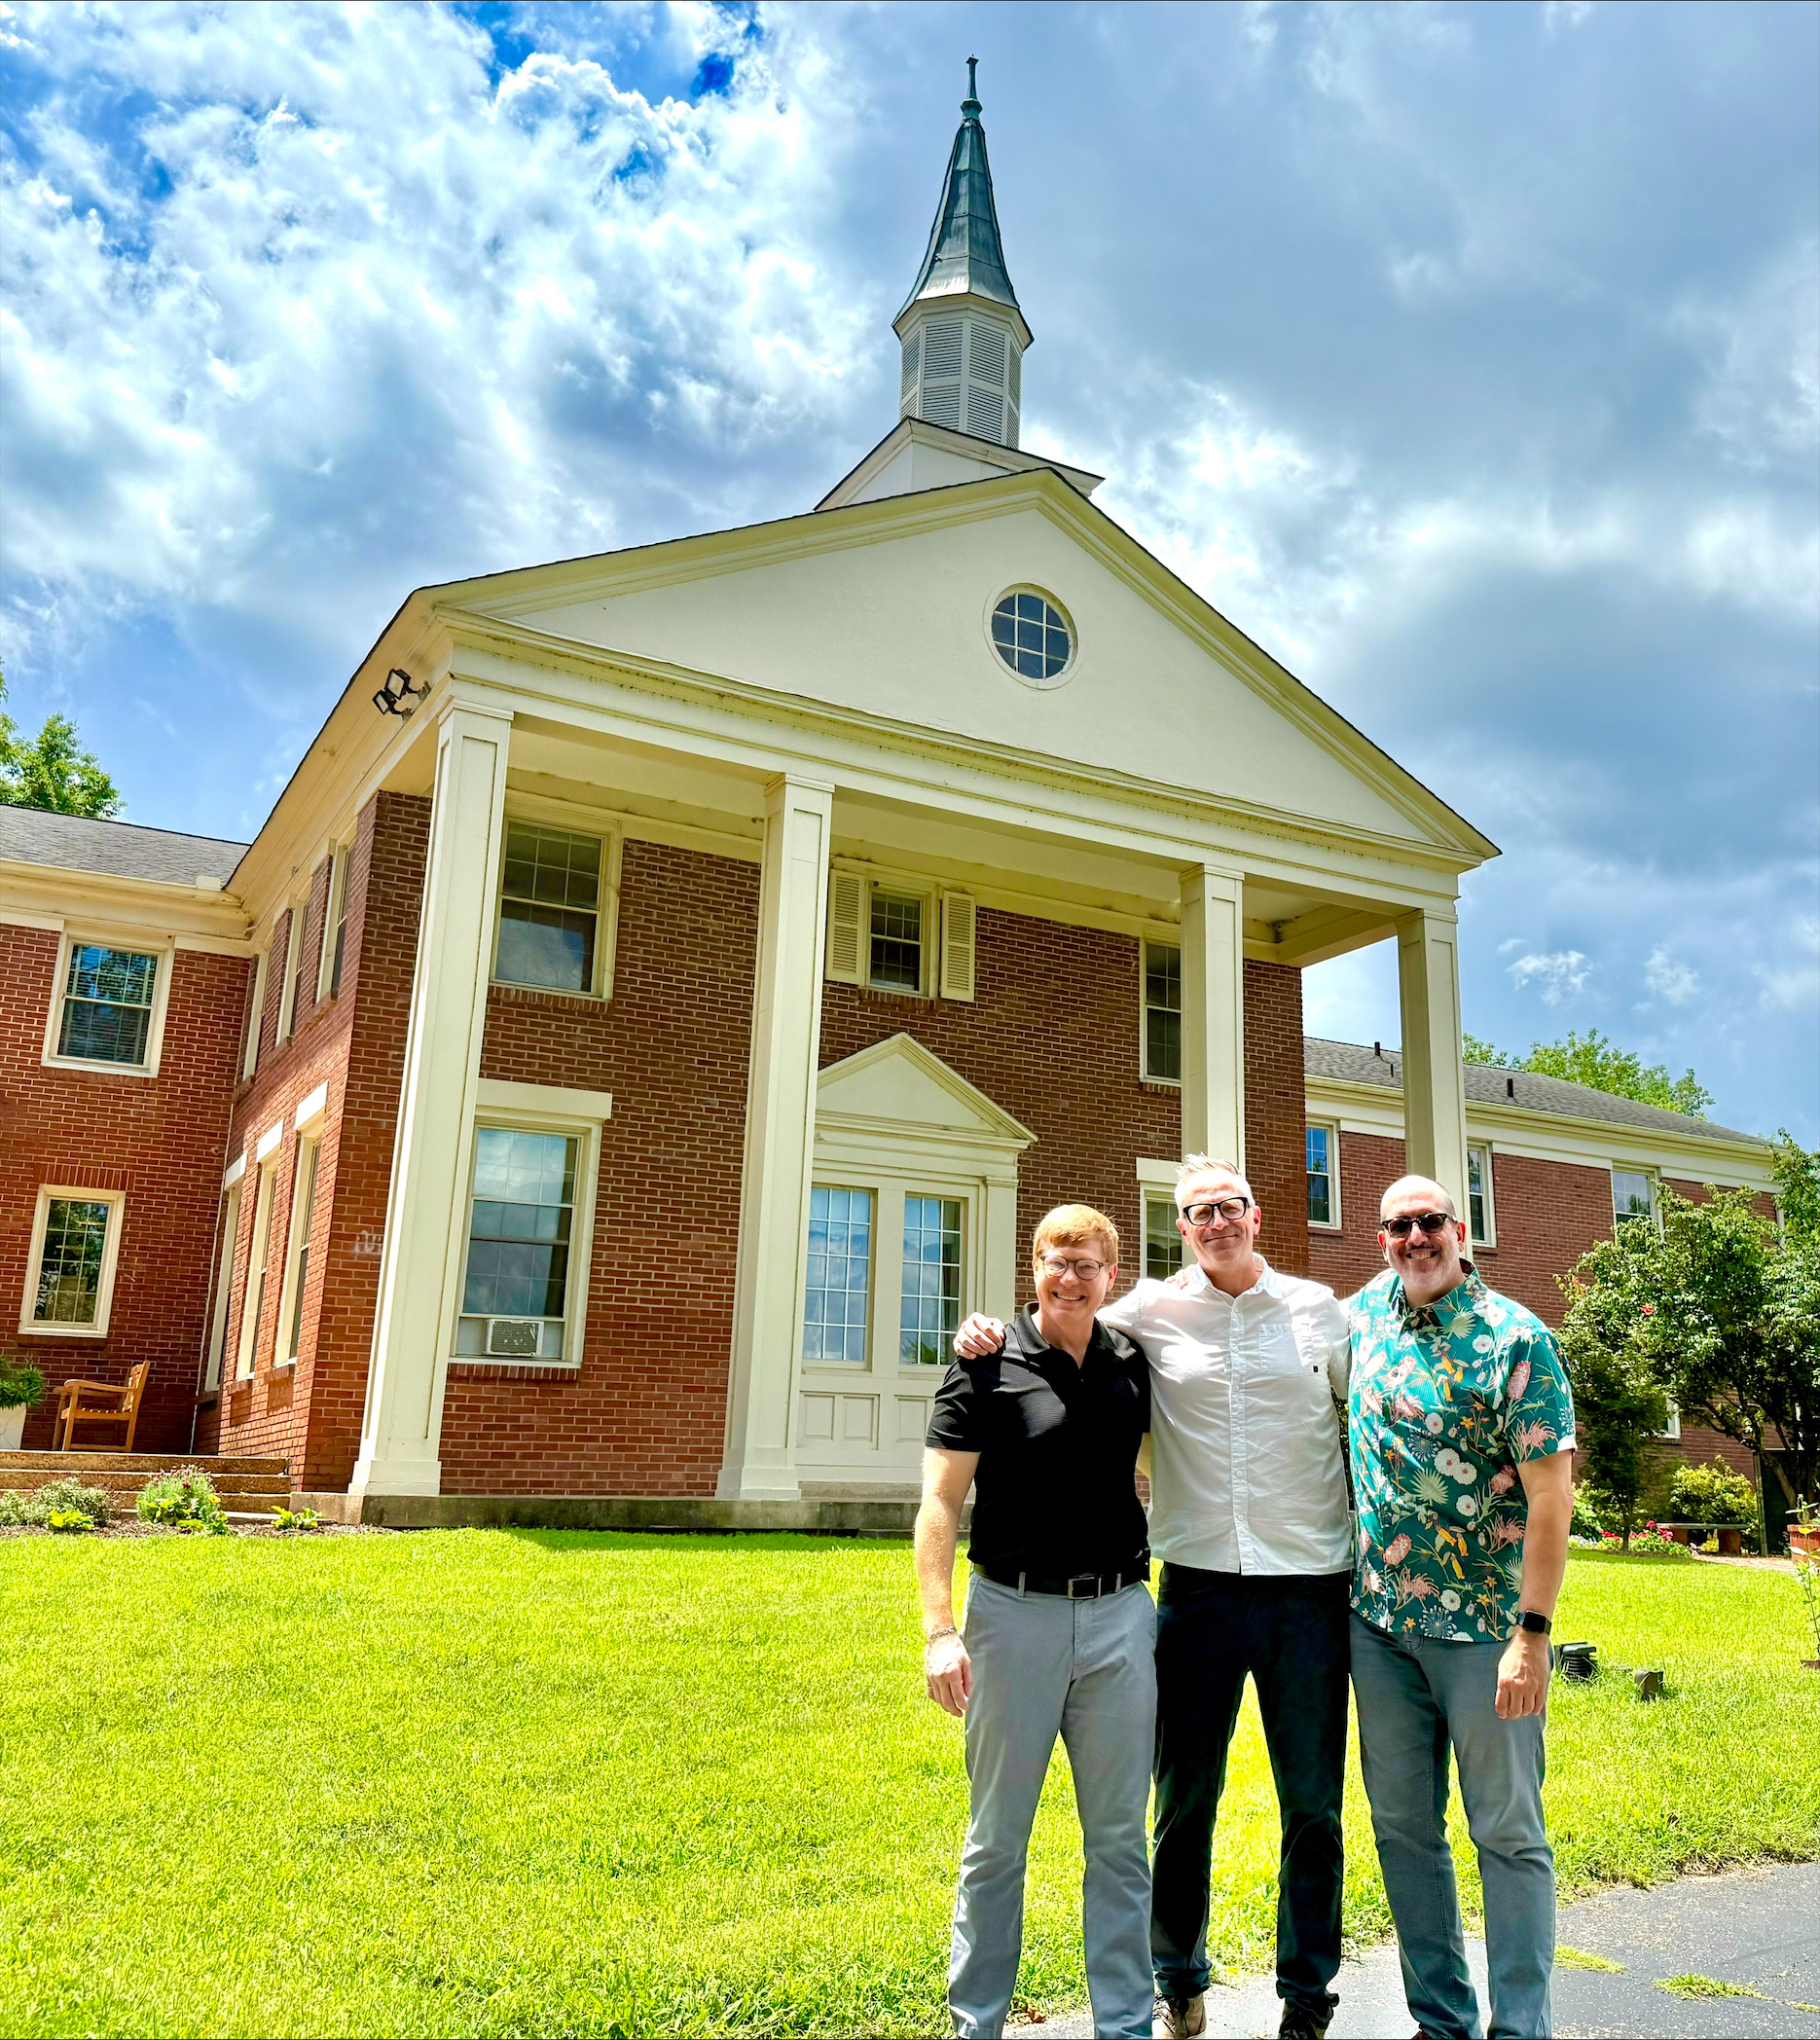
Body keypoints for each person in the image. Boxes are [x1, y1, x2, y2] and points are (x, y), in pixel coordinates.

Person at [956, 1157, 1353, 2040]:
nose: (1214, 1222)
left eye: (1228, 1206)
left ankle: (1307, 1994)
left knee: (1314, 1805)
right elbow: (1061, 1307)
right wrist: (985, 1329)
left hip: (1309, 1591)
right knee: (1182, 1799)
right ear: (1180, 1229)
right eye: (1195, 1212)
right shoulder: (1147, 1312)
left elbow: (1368, 1421)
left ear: (1256, 1214)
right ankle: (1178, 1981)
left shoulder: (1321, 1310)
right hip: (1196, 1589)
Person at [917, 1205, 1156, 2040]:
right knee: (997, 1840)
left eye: (1089, 1264)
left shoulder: (1131, 1359)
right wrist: (940, 1630)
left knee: (1121, 1842)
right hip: (1013, 1617)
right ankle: (975, 2023)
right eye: (1058, 1261)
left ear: (1111, 1276)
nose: (1072, 1277)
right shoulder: (984, 1364)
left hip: (1124, 1616)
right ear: (1035, 1267)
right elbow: (941, 1503)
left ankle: (1124, 2024)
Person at [1347, 1175, 1577, 2040]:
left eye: (1429, 1222)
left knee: (1508, 1833)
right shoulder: (1369, 1311)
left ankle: (1521, 2029)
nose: (1415, 1238)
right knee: (1404, 1830)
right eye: (1399, 1226)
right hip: (1380, 1629)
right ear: (1382, 1241)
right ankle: (1442, 2021)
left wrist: (1533, 1634)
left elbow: (1553, 1498)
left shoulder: (1516, 1338)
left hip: (1486, 1635)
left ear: (1460, 1228)